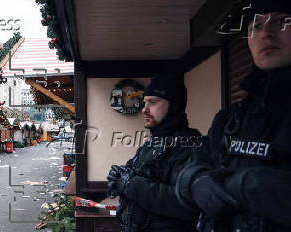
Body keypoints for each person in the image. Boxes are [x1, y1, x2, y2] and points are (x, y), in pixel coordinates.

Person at [175, 0, 291, 231]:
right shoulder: (230, 119)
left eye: (282, 22)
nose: (266, 33)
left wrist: (250, 186)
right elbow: (192, 164)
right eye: (256, 26)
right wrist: (195, 181)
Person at [107, 74, 202, 232]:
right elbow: (140, 177)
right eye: (144, 102)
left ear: (174, 105)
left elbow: (187, 204)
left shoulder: (190, 143)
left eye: (153, 102)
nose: (144, 109)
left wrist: (130, 184)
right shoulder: (152, 143)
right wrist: (118, 179)